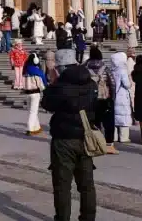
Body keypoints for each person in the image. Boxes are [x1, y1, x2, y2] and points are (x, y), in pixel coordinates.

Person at [41, 62, 98, 221]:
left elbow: (47, 104)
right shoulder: (91, 85)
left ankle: (62, 218)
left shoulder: (61, 86)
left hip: (64, 139)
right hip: (86, 138)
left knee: (62, 185)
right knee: (87, 185)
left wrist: (53, 84)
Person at [83, 47, 116, 153]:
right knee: (108, 123)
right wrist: (112, 98)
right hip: (104, 99)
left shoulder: (84, 68)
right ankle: (109, 145)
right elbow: (112, 84)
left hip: (89, 99)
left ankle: (95, 143)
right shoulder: (105, 68)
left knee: (93, 122)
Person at [110, 52, 132, 144]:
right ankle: (123, 137)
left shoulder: (112, 70)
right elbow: (127, 84)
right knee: (123, 116)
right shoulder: (122, 70)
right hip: (122, 95)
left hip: (114, 95)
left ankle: (114, 137)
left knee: (115, 116)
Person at [23, 53, 47, 135]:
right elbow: (41, 82)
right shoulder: (37, 71)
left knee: (31, 111)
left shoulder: (25, 70)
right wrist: (45, 88)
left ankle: (36, 127)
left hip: (27, 93)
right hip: (35, 93)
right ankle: (29, 129)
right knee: (33, 111)